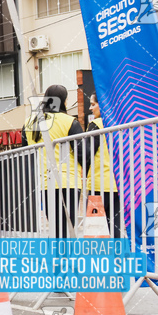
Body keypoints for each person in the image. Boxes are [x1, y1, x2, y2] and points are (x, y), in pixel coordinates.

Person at [21, 85, 86, 238]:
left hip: (44, 182)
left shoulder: (29, 123)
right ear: (64, 101)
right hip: (68, 182)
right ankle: (65, 259)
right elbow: (84, 152)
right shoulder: (70, 122)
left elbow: (25, 153)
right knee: (68, 227)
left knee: (55, 226)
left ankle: (58, 259)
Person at [86, 93, 121, 237]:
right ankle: (119, 258)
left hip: (98, 184)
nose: (90, 108)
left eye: (93, 104)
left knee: (95, 230)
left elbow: (87, 154)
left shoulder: (96, 125)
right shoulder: (119, 124)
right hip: (117, 183)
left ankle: (99, 259)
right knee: (116, 226)